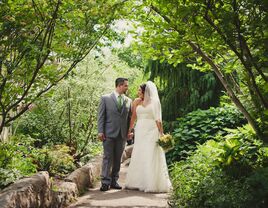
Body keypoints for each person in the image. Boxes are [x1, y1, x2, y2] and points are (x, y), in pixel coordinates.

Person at [125, 81, 172, 192]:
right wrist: (129, 130)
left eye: (139, 91)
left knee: (151, 154)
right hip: (140, 130)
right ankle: (137, 181)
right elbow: (133, 118)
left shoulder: (155, 102)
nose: (138, 92)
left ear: (145, 92)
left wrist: (161, 134)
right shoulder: (136, 102)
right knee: (139, 153)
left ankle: (151, 183)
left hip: (152, 131)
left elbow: (158, 120)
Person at [98, 78, 132, 191]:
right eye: (126, 86)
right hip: (108, 133)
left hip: (122, 134)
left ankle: (114, 181)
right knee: (107, 157)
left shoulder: (128, 101)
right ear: (119, 86)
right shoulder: (105, 98)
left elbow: (130, 119)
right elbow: (101, 116)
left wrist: (129, 132)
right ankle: (105, 182)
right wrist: (100, 131)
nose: (127, 88)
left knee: (118, 159)